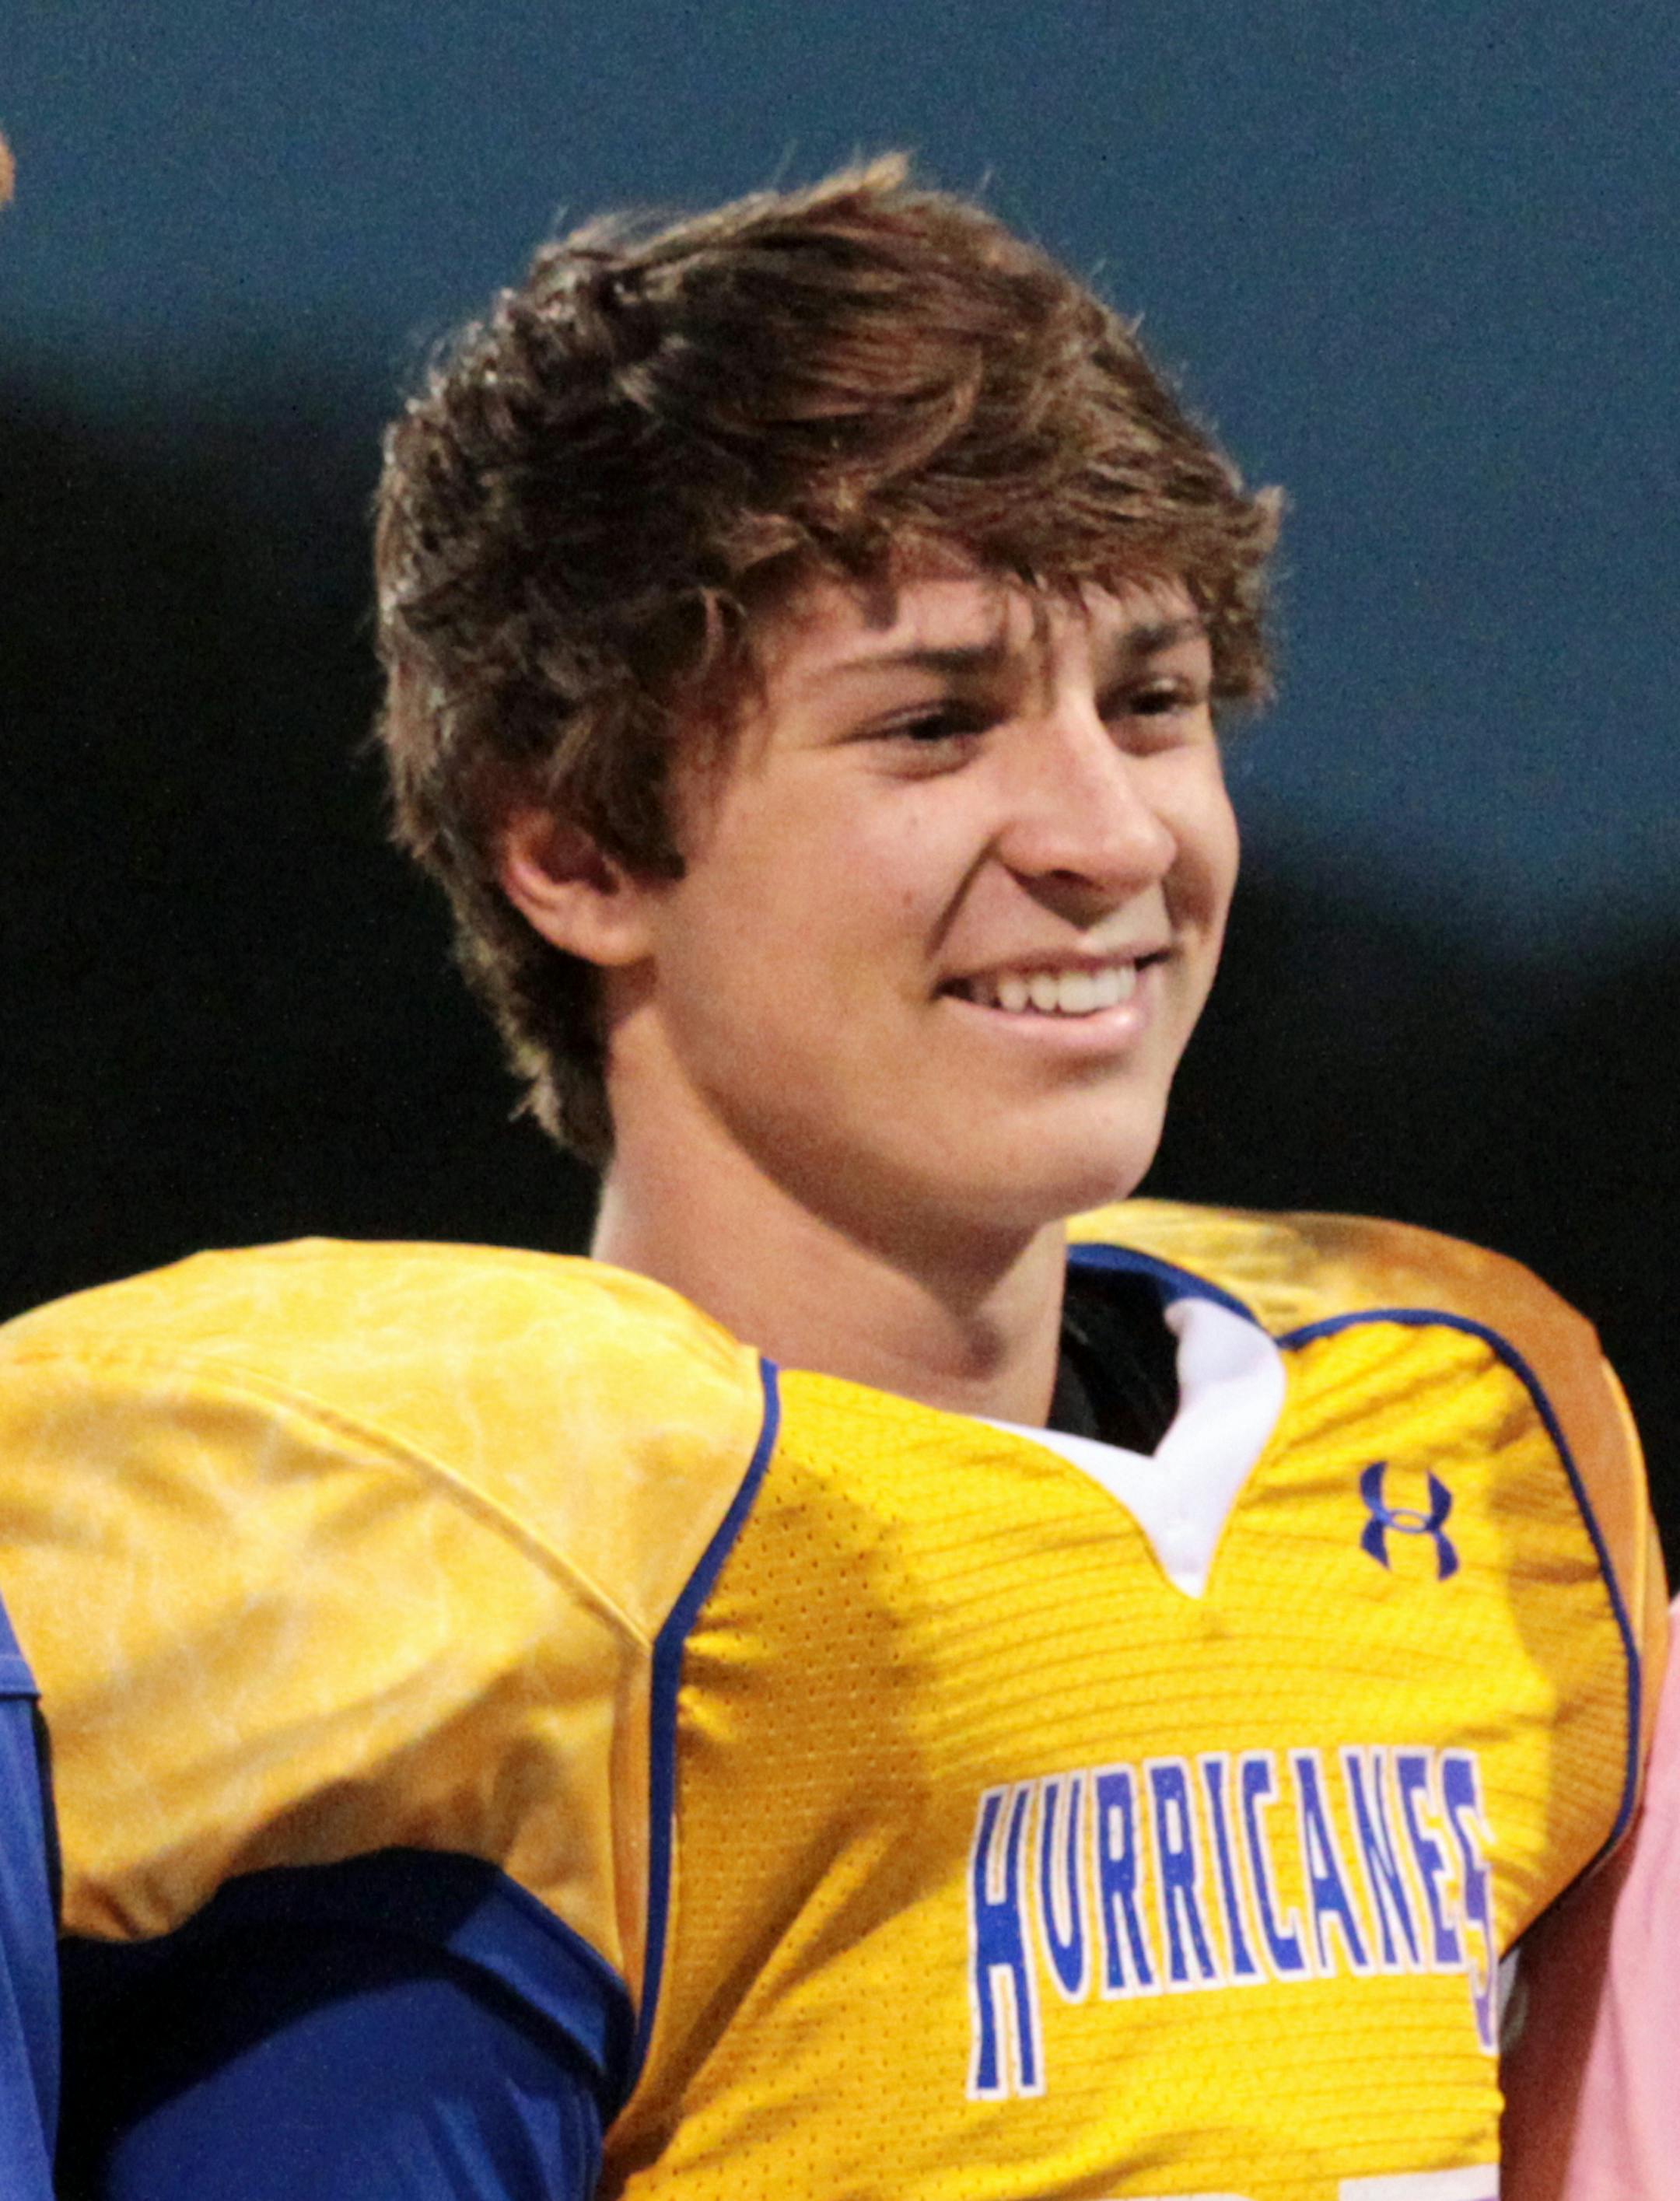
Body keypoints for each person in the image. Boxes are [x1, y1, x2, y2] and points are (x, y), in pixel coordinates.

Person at [0, 156, 1661, 2200]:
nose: (1109, 836)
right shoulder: (430, 1587)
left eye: (1152, 703)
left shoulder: (1469, 1423)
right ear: (578, 852)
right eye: (936, 725)